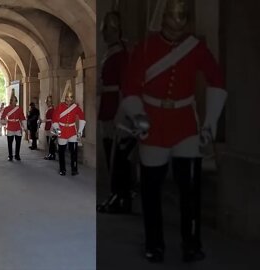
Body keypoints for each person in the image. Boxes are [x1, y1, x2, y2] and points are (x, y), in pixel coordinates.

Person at [121, 0, 227, 263]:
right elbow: (131, 85)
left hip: (185, 125)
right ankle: (154, 243)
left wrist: (209, 124)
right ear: (164, 17)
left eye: (183, 17)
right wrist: (138, 115)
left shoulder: (196, 47)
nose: (178, 22)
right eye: (173, 16)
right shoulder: (146, 47)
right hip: (153, 123)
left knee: (191, 190)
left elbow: (216, 80)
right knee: (151, 190)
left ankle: (191, 244)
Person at [97, 11, 136, 214]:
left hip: (116, 109)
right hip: (108, 106)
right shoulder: (112, 52)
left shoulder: (121, 54)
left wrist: (123, 113)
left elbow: (125, 86)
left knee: (118, 157)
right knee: (113, 154)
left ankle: (119, 196)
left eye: (108, 31)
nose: (104, 34)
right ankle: (120, 195)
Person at [51, 80, 86, 176]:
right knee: (61, 152)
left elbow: (82, 118)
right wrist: (58, 130)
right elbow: (55, 120)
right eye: (68, 98)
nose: (69, 100)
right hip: (62, 131)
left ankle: (74, 169)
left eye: (71, 98)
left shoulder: (76, 107)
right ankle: (62, 169)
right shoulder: (59, 107)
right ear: (65, 98)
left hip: (72, 131)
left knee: (74, 151)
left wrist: (80, 131)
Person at [0, 92, 27, 161]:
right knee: (10, 143)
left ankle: (17, 155)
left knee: (18, 142)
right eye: (12, 100)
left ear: (16, 101)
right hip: (10, 126)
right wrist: (5, 121)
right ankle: (10, 155)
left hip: (17, 126)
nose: (14, 102)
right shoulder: (7, 109)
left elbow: (22, 118)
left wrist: (25, 127)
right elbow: (3, 117)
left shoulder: (19, 109)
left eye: (15, 100)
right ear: (10, 101)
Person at [43, 95, 56, 160]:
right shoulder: (48, 109)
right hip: (48, 125)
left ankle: (52, 154)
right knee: (49, 141)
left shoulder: (52, 109)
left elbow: (53, 119)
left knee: (52, 141)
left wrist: (52, 128)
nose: (47, 103)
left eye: (49, 102)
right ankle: (50, 153)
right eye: (47, 102)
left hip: (51, 126)